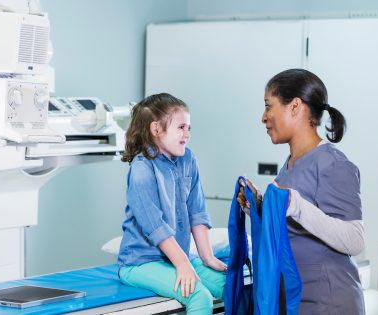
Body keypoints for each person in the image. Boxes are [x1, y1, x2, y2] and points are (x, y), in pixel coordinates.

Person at [238, 69, 365, 314]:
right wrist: (259, 206)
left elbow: (354, 239)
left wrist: (296, 206)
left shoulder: (333, 163)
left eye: (268, 106)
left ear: (295, 106)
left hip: (327, 302)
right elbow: (294, 231)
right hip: (296, 301)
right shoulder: (288, 167)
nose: (263, 117)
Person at [117, 93, 226, 315]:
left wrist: (206, 257)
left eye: (189, 128)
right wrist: (183, 265)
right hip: (140, 263)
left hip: (176, 256)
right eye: (181, 127)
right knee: (198, 295)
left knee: (230, 287)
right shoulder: (142, 170)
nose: (187, 134)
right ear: (156, 129)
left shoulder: (188, 159)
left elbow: (197, 211)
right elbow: (156, 228)